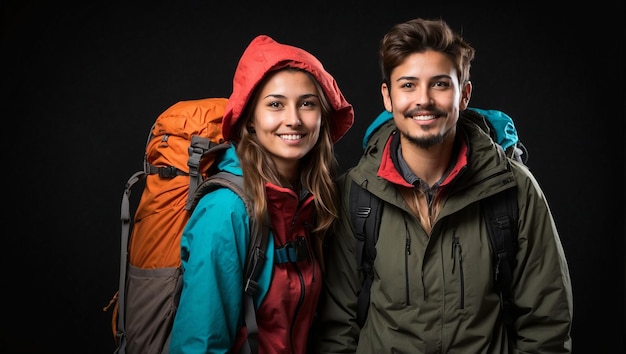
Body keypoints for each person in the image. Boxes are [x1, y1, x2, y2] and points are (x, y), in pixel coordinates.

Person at [315, 18, 573, 353]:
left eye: (440, 84)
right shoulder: (355, 193)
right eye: (407, 85)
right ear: (388, 97)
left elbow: (546, 326)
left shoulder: (515, 189)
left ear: (464, 94)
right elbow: (335, 327)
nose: (423, 100)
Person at [169, 34, 354, 353]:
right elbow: (199, 343)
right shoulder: (226, 210)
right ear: (250, 120)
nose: (294, 120)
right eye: (275, 104)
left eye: (307, 103)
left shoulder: (310, 203)